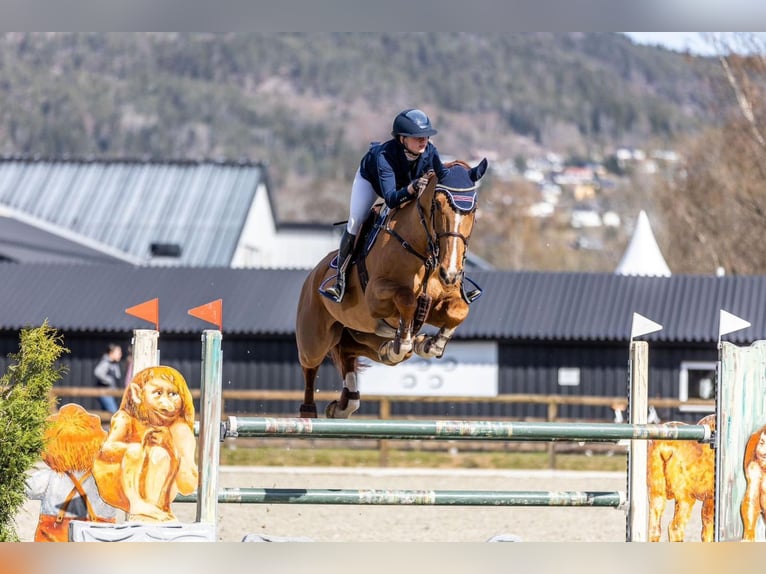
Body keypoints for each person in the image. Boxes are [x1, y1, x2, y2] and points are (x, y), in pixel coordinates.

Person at [321, 108, 451, 303]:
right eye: (417, 137)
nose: (423, 140)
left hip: (406, 186)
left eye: (425, 136)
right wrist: (413, 187)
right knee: (356, 221)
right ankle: (340, 280)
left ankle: (452, 282)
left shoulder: (431, 152)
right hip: (373, 182)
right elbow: (390, 199)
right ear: (402, 139)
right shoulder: (384, 157)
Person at [92, 365, 198, 523]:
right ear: (137, 393)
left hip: (161, 490)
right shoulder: (125, 419)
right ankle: (139, 505)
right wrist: (141, 446)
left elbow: (188, 485)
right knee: (136, 451)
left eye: (173, 394)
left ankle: (157, 507)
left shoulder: (178, 430)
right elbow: (107, 449)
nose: (166, 404)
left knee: (160, 454)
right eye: (158, 393)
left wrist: (172, 447)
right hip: (119, 482)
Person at [93, 343, 122, 414]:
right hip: (105, 392)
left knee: (106, 414)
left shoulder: (114, 363)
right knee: (113, 413)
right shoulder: (106, 362)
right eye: (118, 352)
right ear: (111, 353)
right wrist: (109, 380)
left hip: (109, 393)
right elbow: (97, 372)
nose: (120, 354)